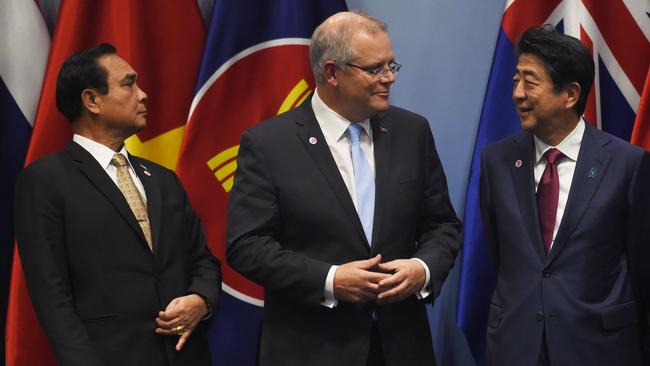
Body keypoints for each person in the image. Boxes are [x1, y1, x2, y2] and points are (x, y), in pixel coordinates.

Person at [226, 11, 461, 366]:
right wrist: (330, 279)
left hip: (401, 346)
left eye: (392, 65)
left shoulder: (412, 132)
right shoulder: (269, 144)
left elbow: (442, 225)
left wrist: (422, 268)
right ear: (332, 72)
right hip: (312, 348)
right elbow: (247, 245)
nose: (389, 78)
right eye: (374, 69)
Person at [14, 43, 221, 366]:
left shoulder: (163, 179)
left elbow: (203, 260)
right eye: (129, 84)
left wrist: (201, 300)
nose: (143, 94)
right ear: (91, 100)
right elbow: (51, 296)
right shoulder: (45, 181)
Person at [480, 25, 650, 366]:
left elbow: (642, 267)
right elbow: (500, 255)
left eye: (530, 81)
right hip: (517, 347)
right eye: (515, 80)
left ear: (570, 95)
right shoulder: (496, 160)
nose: (517, 93)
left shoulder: (627, 164)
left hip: (599, 348)